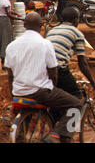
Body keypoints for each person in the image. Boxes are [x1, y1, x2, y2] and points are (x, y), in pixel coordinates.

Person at [4, 12, 82, 143]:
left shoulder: (11, 46)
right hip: (40, 92)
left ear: (24, 25)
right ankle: (60, 134)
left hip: (18, 93)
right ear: (41, 25)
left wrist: (14, 93)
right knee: (76, 105)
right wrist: (53, 87)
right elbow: (53, 73)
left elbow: (10, 75)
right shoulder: (45, 44)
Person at [46, 7, 95, 99]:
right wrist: (93, 82)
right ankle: (74, 113)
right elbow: (82, 63)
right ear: (75, 20)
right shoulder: (77, 33)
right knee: (76, 97)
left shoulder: (52, 31)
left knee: (56, 96)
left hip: (43, 69)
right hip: (58, 69)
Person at [0, 0, 23, 69]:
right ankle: (4, 63)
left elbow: (7, 11)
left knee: (1, 40)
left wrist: (16, 13)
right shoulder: (5, 1)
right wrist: (20, 19)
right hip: (4, 21)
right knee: (5, 40)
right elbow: (8, 15)